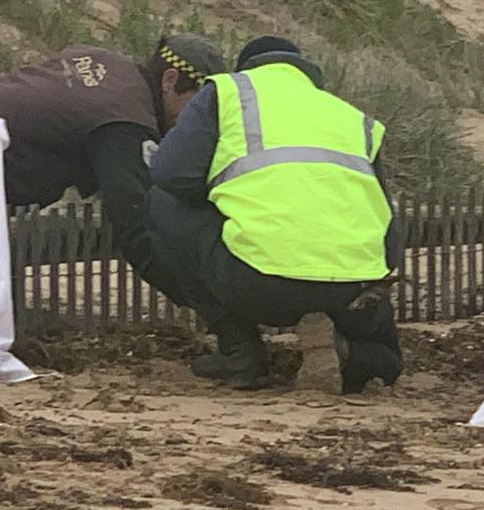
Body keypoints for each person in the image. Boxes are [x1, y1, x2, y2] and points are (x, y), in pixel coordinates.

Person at [144, 36, 403, 393]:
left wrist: (232, 196)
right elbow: (388, 227)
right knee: (380, 347)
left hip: (260, 283)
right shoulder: (352, 117)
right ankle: (356, 356)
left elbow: (171, 174)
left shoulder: (227, 93)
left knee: (162, 202)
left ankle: (239, 351)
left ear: (247, 69)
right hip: (353, 290)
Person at [0, 35, 226, 296]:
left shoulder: (105, 62)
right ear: (170, 79)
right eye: (195, 106)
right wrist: (212, 307)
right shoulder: (123, 121)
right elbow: (136, 225)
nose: (193, 121)